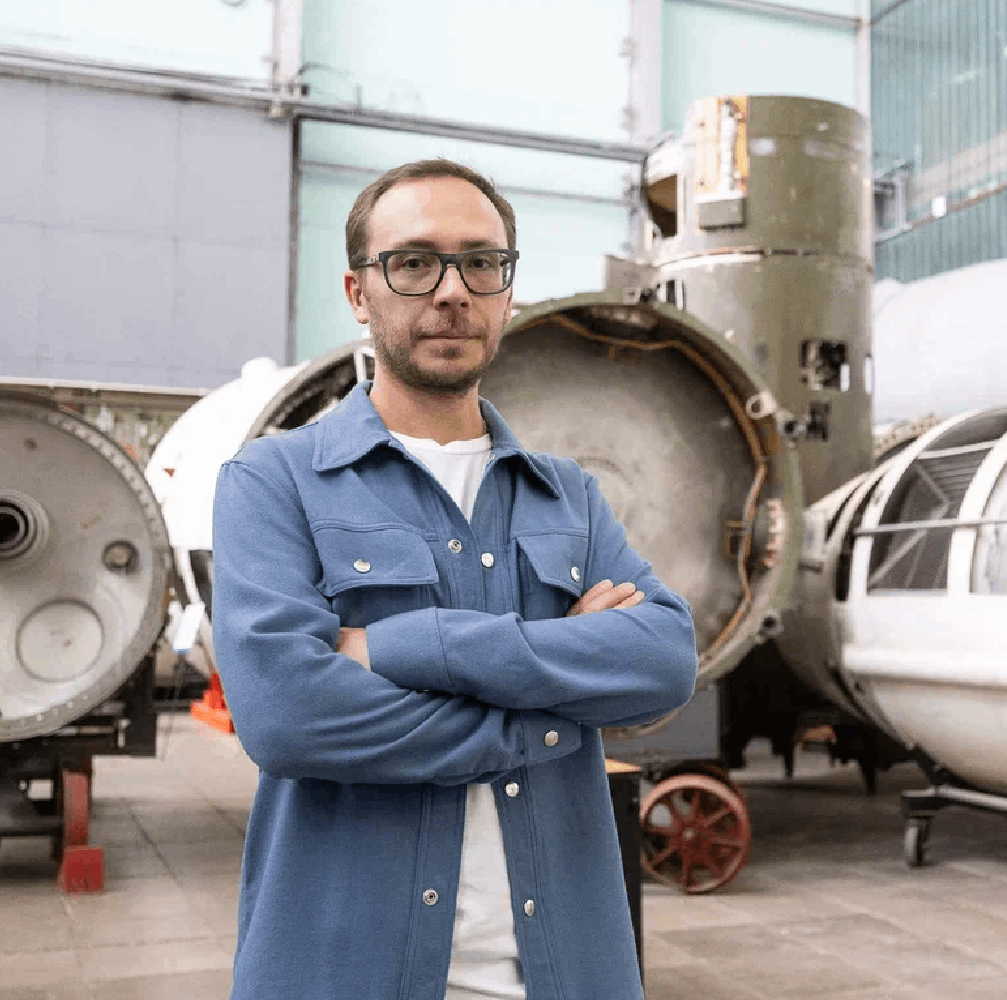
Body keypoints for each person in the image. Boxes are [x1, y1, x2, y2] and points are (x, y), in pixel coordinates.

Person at [211, 158, 699, 1000]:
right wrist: (555, 708)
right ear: (359, 292)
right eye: (413, 262)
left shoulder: (568, 495)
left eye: (481, 263)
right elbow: (286, 714)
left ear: (506, 293)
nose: (451, 292)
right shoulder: (273, 481)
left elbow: (663, 661)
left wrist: (399, 645)